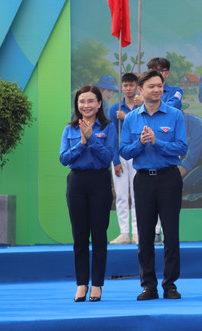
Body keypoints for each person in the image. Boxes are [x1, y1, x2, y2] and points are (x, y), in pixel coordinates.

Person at [119, 70, 188, 301]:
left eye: (160, 85)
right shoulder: (131, 118)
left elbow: (181, 148)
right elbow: (124, 151)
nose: (157, 89)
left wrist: (158, 143)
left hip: (169, 177)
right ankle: (148, 285)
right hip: (143, 180)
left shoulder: (175, 115)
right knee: (145, 234)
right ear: (141, 89)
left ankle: (170, 284)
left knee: (171, 233)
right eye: (151, 86)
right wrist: (140, 143)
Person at [60, 85, 117, 303]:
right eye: (82, 102)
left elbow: (107, 157)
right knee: (80, 236)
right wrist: (81, 143)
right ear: (77, 105)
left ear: (99, 103)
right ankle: (81, 284)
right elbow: (64, 159)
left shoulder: (108, 127)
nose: (86, 105)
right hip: (77, 182)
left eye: (91, 101)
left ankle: (97, 284)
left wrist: (91, 138)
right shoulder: (69, 129)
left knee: (99, 235)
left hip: (100, 181)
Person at [109, 72, 142, 245]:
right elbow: (111, 136)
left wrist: (128, 116)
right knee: (121, 195)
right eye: (125, 85)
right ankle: (124, 232)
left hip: (137, 153)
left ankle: (137, 231)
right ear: (122, 87)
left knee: (137, 194)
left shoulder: (141, 106)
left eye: (132, 85)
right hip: (120, 154)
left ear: (137, 86)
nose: (129, 88)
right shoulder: (115, 109)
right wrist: (114, 160)